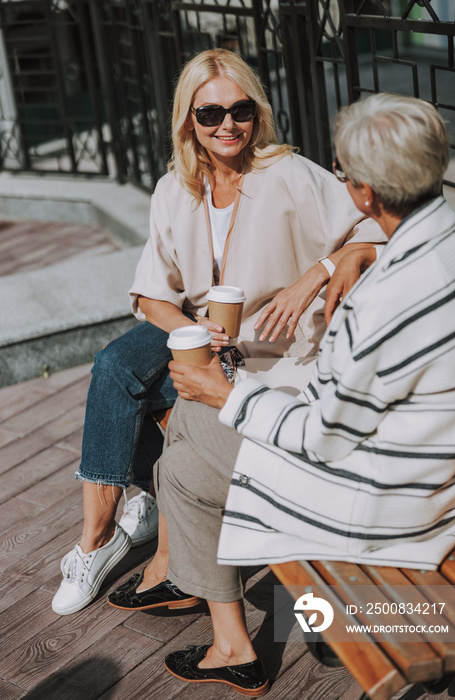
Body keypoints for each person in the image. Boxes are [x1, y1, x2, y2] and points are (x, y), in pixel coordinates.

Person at [149, 94, 455, 695]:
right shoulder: (454, 243)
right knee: (190, 438)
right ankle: (271, 630)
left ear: (367, 193)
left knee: (186, 446)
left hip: (394, 501)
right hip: (438, 466)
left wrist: (228, 395)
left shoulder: (385, 301)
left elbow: (323, 438)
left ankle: (236, 641)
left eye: (345, 177)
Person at [52, 48, 384, 615]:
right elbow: (153, 294)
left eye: (240, 110)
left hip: (269, 348)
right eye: (209, 114)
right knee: (114, 367)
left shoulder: (286, 173)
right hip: (202, 334)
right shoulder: (173, 189)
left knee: (156, 401)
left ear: (256, 113)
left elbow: (376, 228)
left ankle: (165, 520)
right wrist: (194, 330)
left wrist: (315, 275)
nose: (227, 125)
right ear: (189, 121)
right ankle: (98, 538)